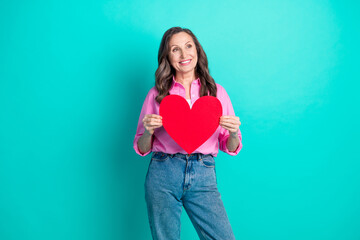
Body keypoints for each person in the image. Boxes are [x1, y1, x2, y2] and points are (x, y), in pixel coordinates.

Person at [133, 27, 242, 240]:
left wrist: (234, 133)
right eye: (175, 49)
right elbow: (142, 146)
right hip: (163, 172)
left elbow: (229, 145)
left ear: (197, 50)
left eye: (188, 46)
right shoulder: (157, 94)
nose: (184, 55)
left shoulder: (217, 93)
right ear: (167, 57)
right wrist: (148, 132)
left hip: (203, 173)